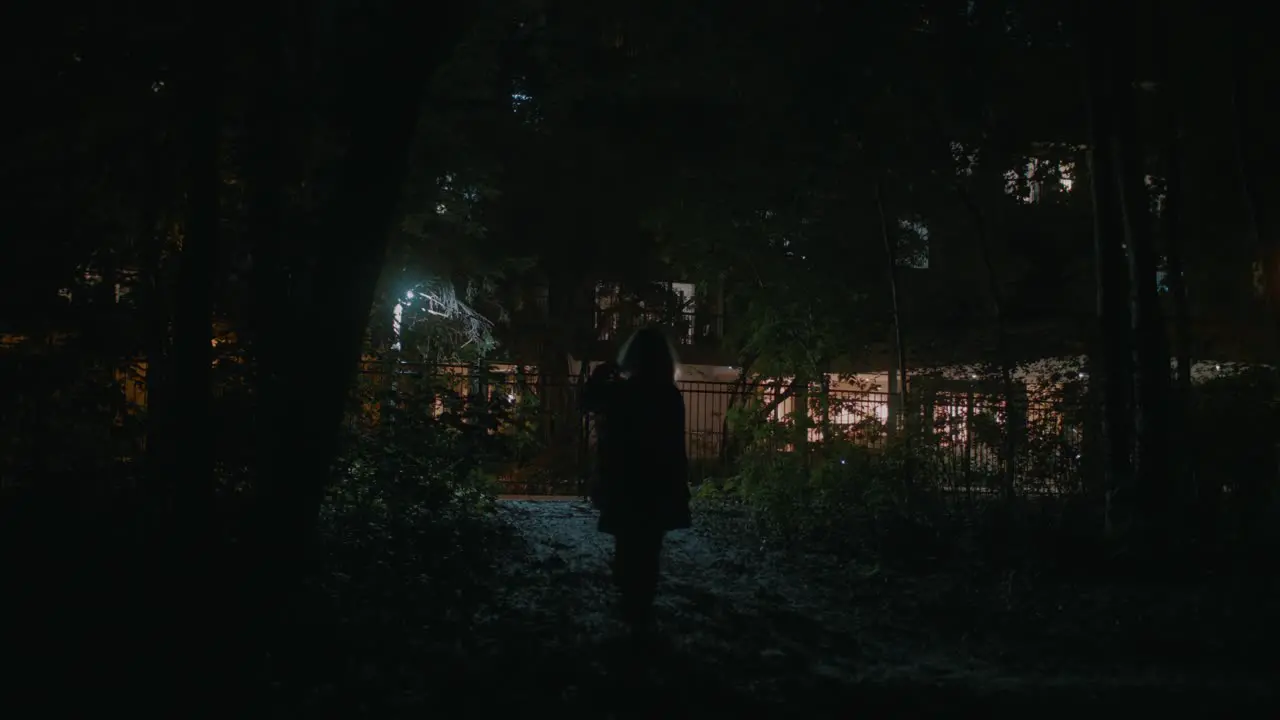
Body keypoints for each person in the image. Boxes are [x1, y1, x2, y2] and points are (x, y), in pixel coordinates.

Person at [583, 326, 691, 635]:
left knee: (628, 545)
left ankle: (629, 609)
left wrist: (604, 372)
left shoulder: (622, 393)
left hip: (625, 482)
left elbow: (588, 402)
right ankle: (641, 610)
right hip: (657, 483)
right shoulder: (669, 396)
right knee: (649, 548)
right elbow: (674, 446)